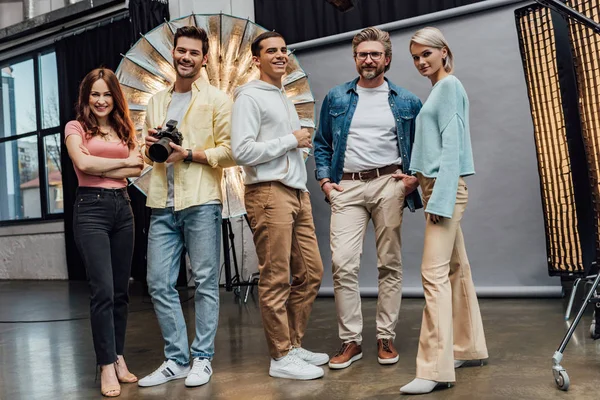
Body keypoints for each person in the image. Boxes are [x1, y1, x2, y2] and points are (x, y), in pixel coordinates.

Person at [313, 27, 422, 369]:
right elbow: (321, 143)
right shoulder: (337, 97)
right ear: (355, 58)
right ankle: (351, 341)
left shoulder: (406, 100)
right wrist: (325, 182)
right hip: (346, 187)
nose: (369, 59)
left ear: (387, 59)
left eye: (375, 54)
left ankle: (385, 336)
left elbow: (421, 146)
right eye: (363, 54)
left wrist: (412, 180)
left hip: (389, 183)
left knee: (389, 263)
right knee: (344, 263)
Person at [137, 26, 235, 388]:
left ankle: (202, 358)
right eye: (181, 51)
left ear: (204, 58)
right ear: (173, 53)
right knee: (159, 283)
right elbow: (146, 157)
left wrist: (189, 153)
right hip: (162, 202)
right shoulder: (156, 102)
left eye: (194, 52)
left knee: (207, 282)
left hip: (201, 201)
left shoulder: (217, 99)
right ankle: (177, 359)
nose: (186, 57)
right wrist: (150, 148)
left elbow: (230, 151)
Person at [231, 31, 328, 380]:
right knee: (275, 278)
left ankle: (294, 345)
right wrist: (291, 139)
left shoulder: (283, 96)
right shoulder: (249, 97)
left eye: (284, 50)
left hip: (296, 193)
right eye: (271, 50)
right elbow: (241, 151)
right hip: (269, 194)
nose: (280, 55)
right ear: (256, 59)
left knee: (311, 272)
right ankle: (280, 356)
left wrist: (296, 147)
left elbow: (283, 147)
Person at [399, 27, 488, 395]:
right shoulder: (439, 89)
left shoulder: (449, 87)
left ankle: (434, 370)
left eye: (426, 55)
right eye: (416, 57)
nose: (421, 62)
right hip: (437, 187)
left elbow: (452, 149)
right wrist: (417, 180)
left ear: (443, 52)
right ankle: (468, 347)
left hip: (445, 191)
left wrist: (438, 199)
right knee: (455, 269)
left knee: (432, 275)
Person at [65, 67, 143, 397]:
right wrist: (120, 164)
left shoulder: (125, 128)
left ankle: (118, 356)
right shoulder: (76, 127)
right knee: (103, 292)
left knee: (122, 292)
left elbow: (139, 165)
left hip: (122, 208)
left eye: (106, 94)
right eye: (94, 94)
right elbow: (82, 166)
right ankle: (105, 365)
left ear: (115, 97)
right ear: (87, 97)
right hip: (91, 209)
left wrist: (103, 162)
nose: (100, 100)